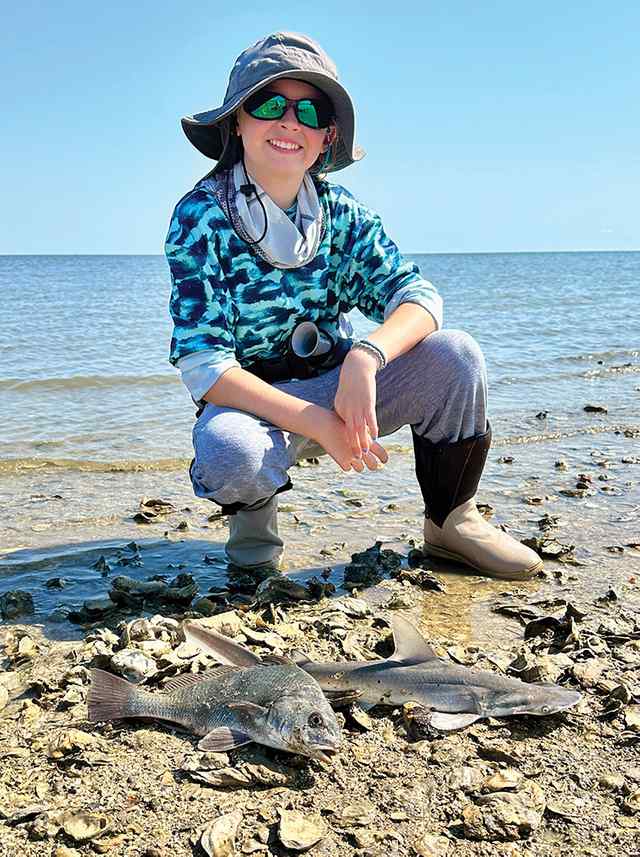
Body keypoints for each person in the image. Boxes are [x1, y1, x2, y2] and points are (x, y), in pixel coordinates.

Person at [165, 31, 542, 581]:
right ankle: (253, 541)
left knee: (455, 354)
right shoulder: (199, 217)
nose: (290, 121)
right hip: (252, 402)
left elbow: (418, 297)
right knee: (229, 451)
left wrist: (366, 357)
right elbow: (205, 366)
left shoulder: (343, 215)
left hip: (342, 386)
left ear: (327, 136)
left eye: (310, 110)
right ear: (237, 122)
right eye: (269, 104)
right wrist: (317, 422)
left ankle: (451, 521)